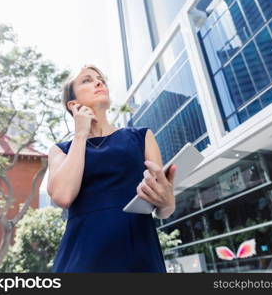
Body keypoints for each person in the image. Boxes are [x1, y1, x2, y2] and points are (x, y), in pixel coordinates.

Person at [47, 65, 177, 272]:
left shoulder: (142, 137)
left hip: (139, 254)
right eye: (87, 80)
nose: (99, 82)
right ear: (73, 104)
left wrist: (168, 203)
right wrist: (80, 134)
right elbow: (62, 196)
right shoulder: (61, 150)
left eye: (101, 79)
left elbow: (163, 207)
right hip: (81, 258)